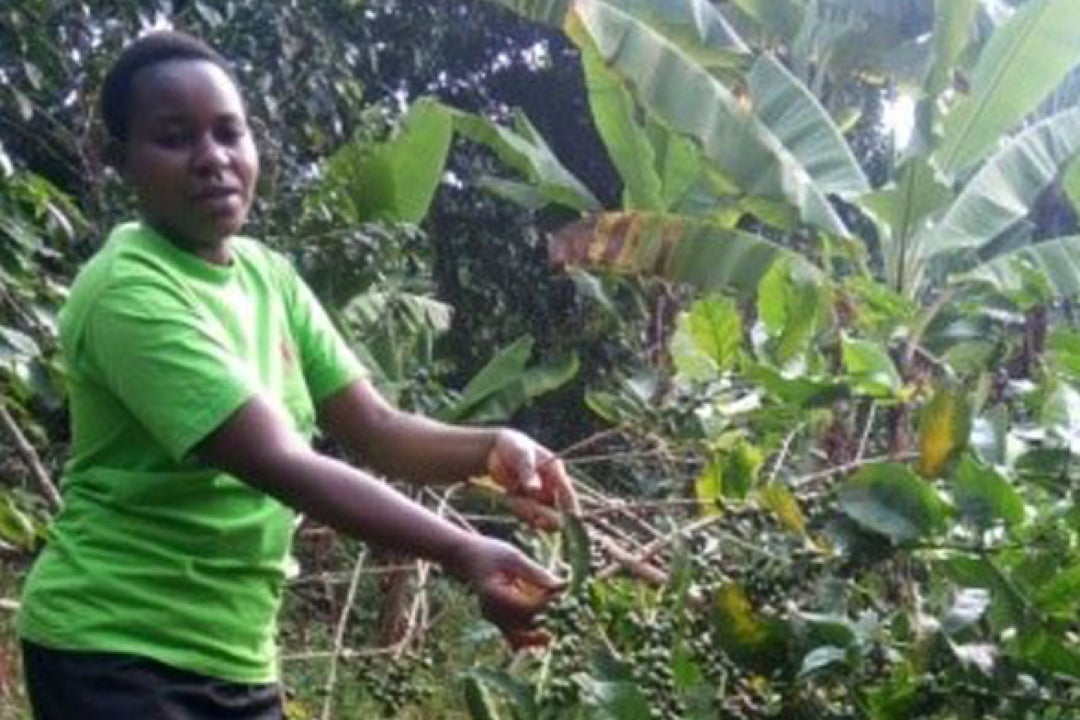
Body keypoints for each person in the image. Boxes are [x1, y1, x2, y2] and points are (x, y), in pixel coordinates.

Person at [16, 30, 576, 720]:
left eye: (230, 133)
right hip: (114, 652)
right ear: (119, 160)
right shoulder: (127, 292)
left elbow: (378, 429)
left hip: (236, 654)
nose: (213, 160)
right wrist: (463, 552)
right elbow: (282, 464)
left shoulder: (266, 275)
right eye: (174, 137)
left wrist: (493, 447)